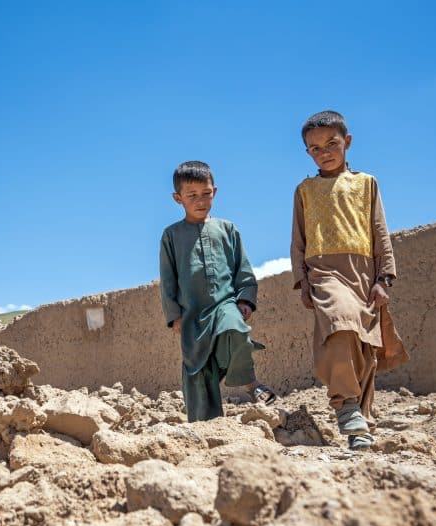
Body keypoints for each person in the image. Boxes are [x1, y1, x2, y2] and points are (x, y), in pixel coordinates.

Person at [290, 110, 409, 449]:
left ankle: (362, 426)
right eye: (314, 148)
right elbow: (297, 238)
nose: (324, 152)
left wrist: (384, 277)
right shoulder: (305, 190)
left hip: (364, 272)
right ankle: (345, 404)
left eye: (331, 144)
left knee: (366, 346)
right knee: (340, 324)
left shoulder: (366, 183)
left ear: (348, 142)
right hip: (324, 271)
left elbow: (379, 231)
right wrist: (302, 280)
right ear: (307, 152)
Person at [160, 160, 277, 422]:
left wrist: (245, 299)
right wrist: (174, 315)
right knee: (198, 371)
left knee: (236, 329)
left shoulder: (228, 230)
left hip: (225, 304)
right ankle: (206, 426)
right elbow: (167, 279)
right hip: (192, 313)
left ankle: (250, 384)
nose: (200, 200)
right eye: (192, 195)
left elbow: (243, 270)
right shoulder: (171, 235)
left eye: (206, 193)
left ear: (215, 192)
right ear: (178, 198)